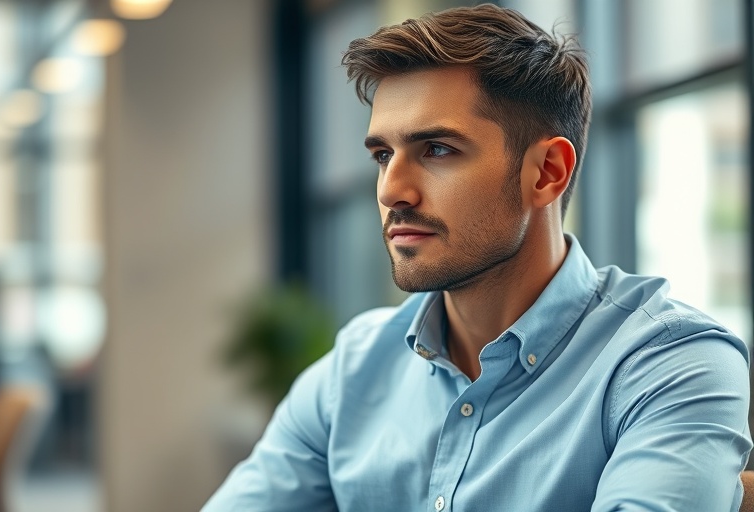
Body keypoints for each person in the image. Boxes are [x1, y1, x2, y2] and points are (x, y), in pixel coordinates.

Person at [203, 4, 752, 511]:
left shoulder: (670, 364)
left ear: (546, 173)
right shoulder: (352, 373)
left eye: (437, 150)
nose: (392, 190)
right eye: (382, 155)